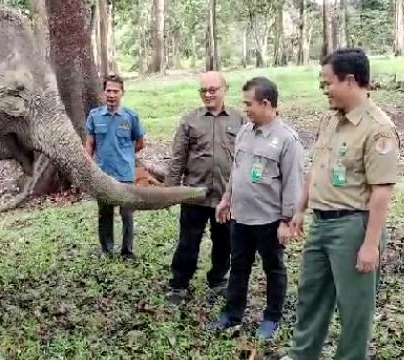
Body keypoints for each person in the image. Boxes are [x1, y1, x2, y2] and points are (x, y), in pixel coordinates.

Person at [282, 48, 400, 360]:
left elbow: (381, 192)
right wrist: (300, 209)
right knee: (311, 296)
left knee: (354, 307)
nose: (324, 91)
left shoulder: (378, 129)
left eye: (327, 83)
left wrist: (370, 245)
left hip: (353, 227)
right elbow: (316, 168)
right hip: (321, 223)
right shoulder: (330, 120)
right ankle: (301, 355)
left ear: (349, 81)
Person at [209, 77, 304, 341]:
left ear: (266, 103)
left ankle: (272, 317)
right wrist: (227, 198)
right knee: (239, 266)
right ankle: (232, 314)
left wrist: (287, 221)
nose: (246, 109)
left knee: (274, 269)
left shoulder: (287, 140)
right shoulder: (244, 131)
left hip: (270, 219)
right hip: (241, 217)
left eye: (248, 104)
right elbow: (236, 171)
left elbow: (294, 185)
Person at [164, 71, 248, 304]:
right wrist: (168, 192)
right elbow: (178, 158)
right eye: (204, 90)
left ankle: (218, 280)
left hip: (226, 196)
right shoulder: (190, 120)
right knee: (188, 242)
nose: (208, 94)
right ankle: (179, 285)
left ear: (225, 89)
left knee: (224, 242)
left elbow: (246, 158)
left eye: (213, 89)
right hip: (194, 195)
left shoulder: (240, 120)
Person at [85, 74, 146, 260]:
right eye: (108, 90)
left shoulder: (131, 116)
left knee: (127, 214)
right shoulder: (94, 116)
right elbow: (89, 145)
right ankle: (107, 249)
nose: (111, 94)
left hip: (125, 174)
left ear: (122, 93)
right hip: (103, 174)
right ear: (104, 92)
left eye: (115, 91)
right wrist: (89, 168)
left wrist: (125, 155)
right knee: (105, 213)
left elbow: (140, 142)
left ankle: (127, 251)